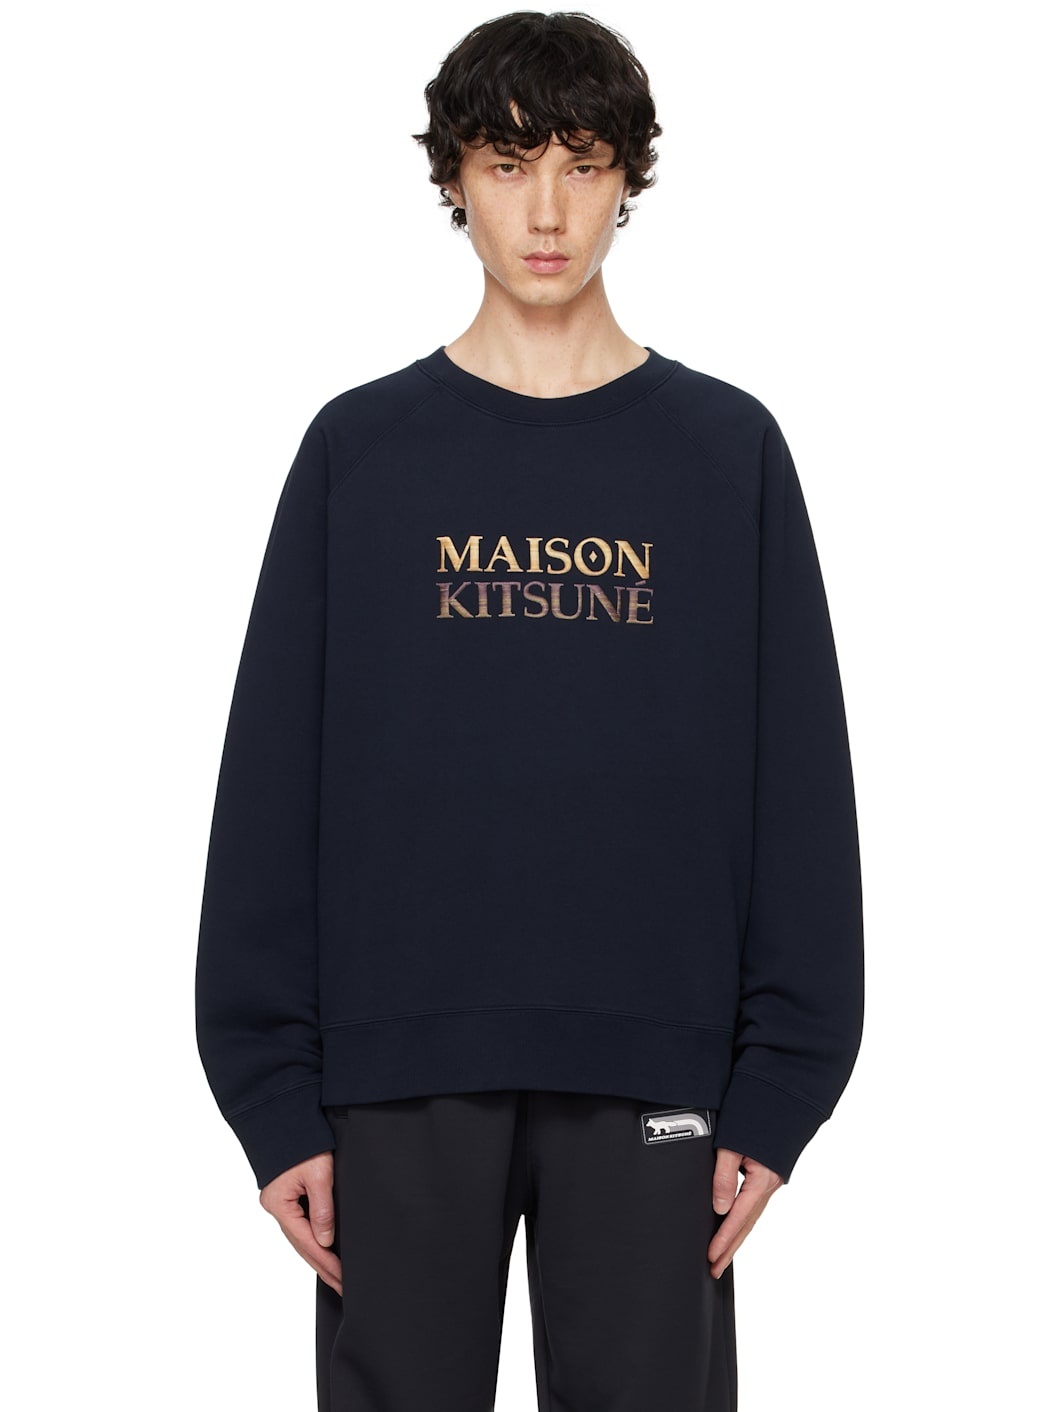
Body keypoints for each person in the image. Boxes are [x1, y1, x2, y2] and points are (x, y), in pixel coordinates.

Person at [194, 10, 864, 1410]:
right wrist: (268, 1092)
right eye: (507, 165)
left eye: (582, 162)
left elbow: (799, 787)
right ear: (454, 179)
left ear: (629, 178)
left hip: (658, 1069)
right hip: (396, 1073)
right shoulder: (360, 452)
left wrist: (782, 1086)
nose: (547, 211)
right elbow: (271, 782)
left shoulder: (725, 453)